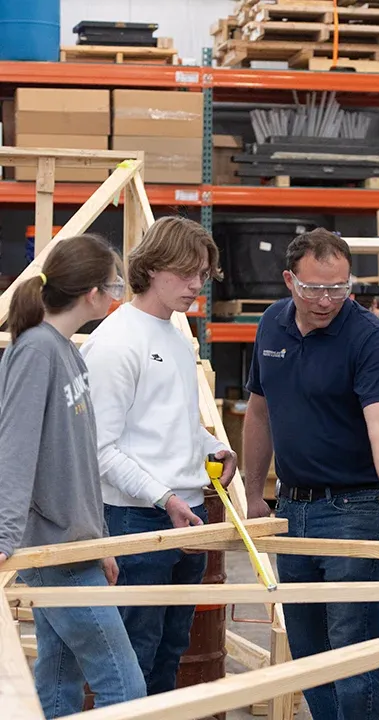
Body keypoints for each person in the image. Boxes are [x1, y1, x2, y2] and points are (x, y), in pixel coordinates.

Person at [243, 227, 379, 720]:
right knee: (309, 652)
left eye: (339, 288)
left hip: (357, 508)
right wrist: (253, 491)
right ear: (288, 280)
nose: (327, 300)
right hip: (293, 507)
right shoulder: (270, 326)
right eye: (314, 288)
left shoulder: (366, 336)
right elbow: (259, 412)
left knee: (352, 650)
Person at [80, 216, 238, 695]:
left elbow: (172, 420)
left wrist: (214, 447)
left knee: (171, 654)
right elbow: (99, 448)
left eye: (203, 274)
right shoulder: (116, 341)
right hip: (135, 519)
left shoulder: (174, 332)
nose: (196, 285)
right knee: (132, 660)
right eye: (186, 272)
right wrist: (164, 497)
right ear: (150, 268)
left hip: (181, 515)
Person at [0, 234, 146, 716]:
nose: (119, 295)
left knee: (59, 683)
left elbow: (79, 457)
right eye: (115, 285)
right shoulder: (36, 351)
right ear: (92, 293)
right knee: (125, 688)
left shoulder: (67, 350)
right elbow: (14, 451)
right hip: (54, 549)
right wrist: (4, 537)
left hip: (75, 544)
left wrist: (99, 538)